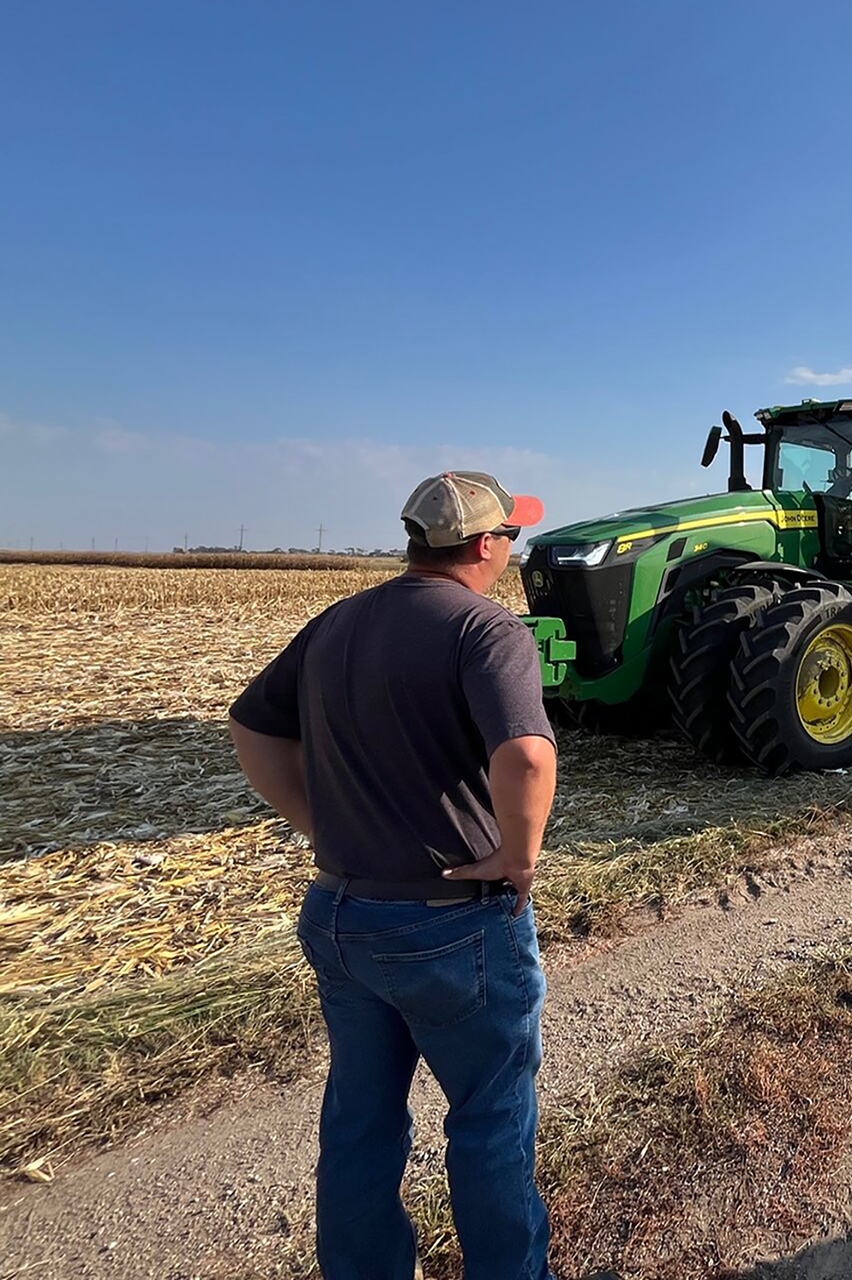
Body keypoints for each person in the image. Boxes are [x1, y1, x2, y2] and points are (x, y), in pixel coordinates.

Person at [229, 471, 560, 1280]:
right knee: (490, 1120)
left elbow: (250, 726)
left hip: (341, 917)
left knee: (360, 1123)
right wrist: (518, 859)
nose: (513, 547)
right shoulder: (486, 630)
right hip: (451, 923)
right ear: (484, 545)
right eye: (509, 536)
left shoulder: (337, 623)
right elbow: (526, 755)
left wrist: (320, 823)